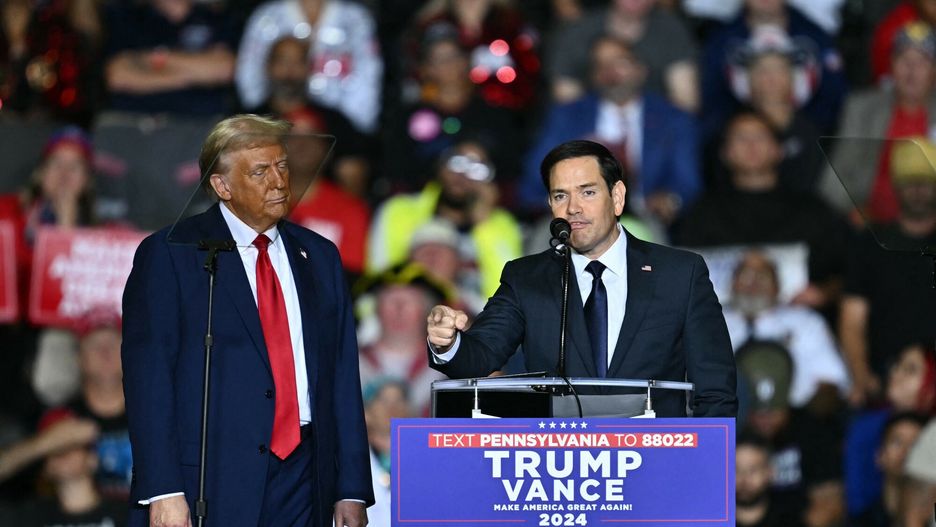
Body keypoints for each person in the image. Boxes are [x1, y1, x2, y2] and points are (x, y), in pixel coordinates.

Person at [121, 114, 373, 527]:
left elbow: (342, 374)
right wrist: (163, 489)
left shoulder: (320, 256)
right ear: (222, 186)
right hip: (209, 475)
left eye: (282, 166)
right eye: (260, 171)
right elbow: (149, 378)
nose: (278, 181)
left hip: (305, 474)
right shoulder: (172, 252)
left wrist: (350, 488)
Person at [427, 139, 737, 418]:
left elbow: (716, 390)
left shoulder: (680, 273)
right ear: (551, 205)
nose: (573, 208)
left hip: (657, 465)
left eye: (587, 192)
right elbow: (479, 357)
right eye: (560, 195)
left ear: (617, 197)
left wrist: (703, 467)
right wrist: (448, 342)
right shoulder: (527, 278)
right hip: (562, 468)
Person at [521, 35, 701, 227]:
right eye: (600, 64)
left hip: (646, 221)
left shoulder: (672, 118)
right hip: (577, 219)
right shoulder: (568, 117)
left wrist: (670, 200)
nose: (610, 71)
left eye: (619, 62)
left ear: (641, 69)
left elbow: (687, 181)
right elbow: (534, 178)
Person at [839, 137, 936, 407]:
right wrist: (862, 377)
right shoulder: (869, 244)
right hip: (885, 381)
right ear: (895, 188)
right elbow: (852, 319)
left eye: (926, 182)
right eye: (909, 182)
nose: (918, 190)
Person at [367, 139, 523, 302]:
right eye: (457, 162)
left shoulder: (503, 224)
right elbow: (380, 279)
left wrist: (484, 225)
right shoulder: (399, 210)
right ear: (441, 164)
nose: (462, 175)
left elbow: (508, 296)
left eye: (477, 169)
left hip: (472, 320)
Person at [723, 251, 849, 410]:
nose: (753, 284)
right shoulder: (708, 322)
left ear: (777, 285)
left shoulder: (806, 322)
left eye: (762, 276)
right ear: (731, 284)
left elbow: (830, 382)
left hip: (794, 417)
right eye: (745, 276)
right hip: (728, 416)